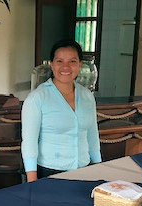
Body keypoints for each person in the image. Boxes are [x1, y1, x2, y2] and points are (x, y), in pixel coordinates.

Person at [21, 39, 101, 182]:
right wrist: (32, 180)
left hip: (85, 169)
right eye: (59, 61)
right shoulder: (37, 98)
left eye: (72, 61)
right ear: (52, 65)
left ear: (80, 64)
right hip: (50, 172)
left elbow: (92, 135)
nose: (66, 67)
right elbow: (29, 142)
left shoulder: (87, 96)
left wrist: (98, 167)